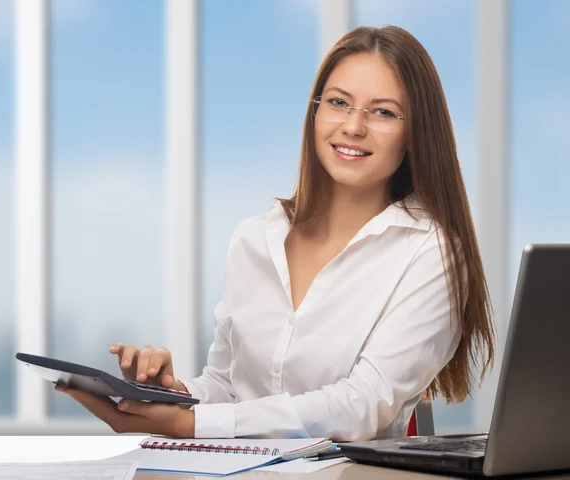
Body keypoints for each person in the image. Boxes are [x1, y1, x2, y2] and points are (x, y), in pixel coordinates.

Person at [56, 25, 495, 442]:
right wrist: (172, 394)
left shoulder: (430, 251)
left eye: (383, 112)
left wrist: (190, 425)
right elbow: (229, 389)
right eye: (339, 102)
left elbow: (364, 405)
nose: (354, 126)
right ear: (315, 110)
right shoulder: (254, 239)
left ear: (415, 134)